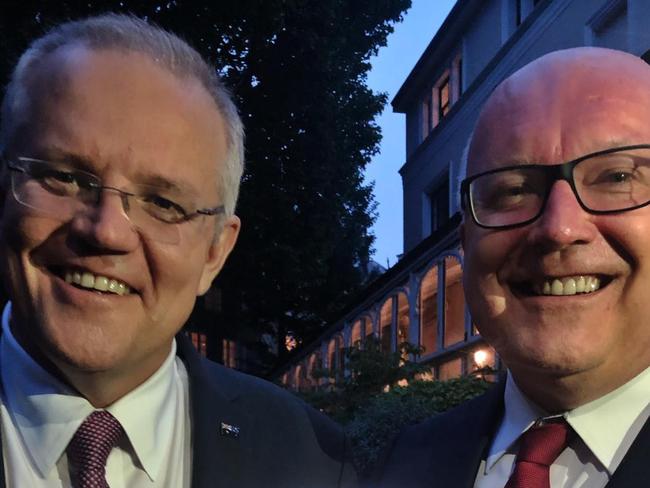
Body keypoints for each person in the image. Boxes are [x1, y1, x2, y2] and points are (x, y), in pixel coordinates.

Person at [0, 14, 356, 488]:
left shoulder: (316, 462)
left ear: (216, 252)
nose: (107, 231)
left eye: (163, 203)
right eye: (65, 177)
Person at [375, 47, 650, 488]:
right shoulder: (404, 463)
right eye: (512, 190)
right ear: (466, 243)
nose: (559, 229)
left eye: (616, 177)